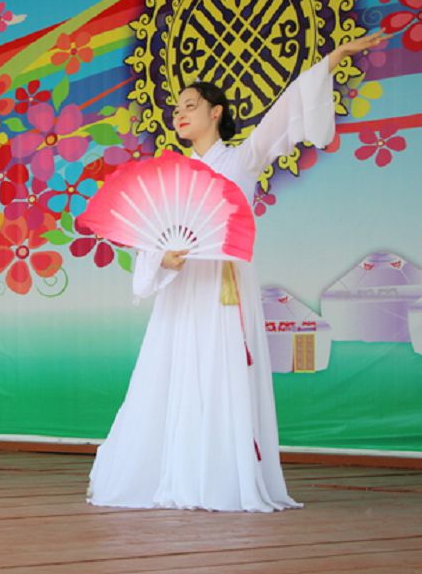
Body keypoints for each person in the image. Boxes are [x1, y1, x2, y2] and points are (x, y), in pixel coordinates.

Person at [87, 32, 388, 512]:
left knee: (224, 372)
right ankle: (174, 472)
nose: (180, 114)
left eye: (190, 105)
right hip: (183, 286)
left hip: (226, 285)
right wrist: (162, 259)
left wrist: (333, 59)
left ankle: (222, 479)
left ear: (216, 112)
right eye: (176, 109)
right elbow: (152, 235)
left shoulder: (242, 159)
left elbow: (286, 111)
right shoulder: (174, 172)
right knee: (174, 372)